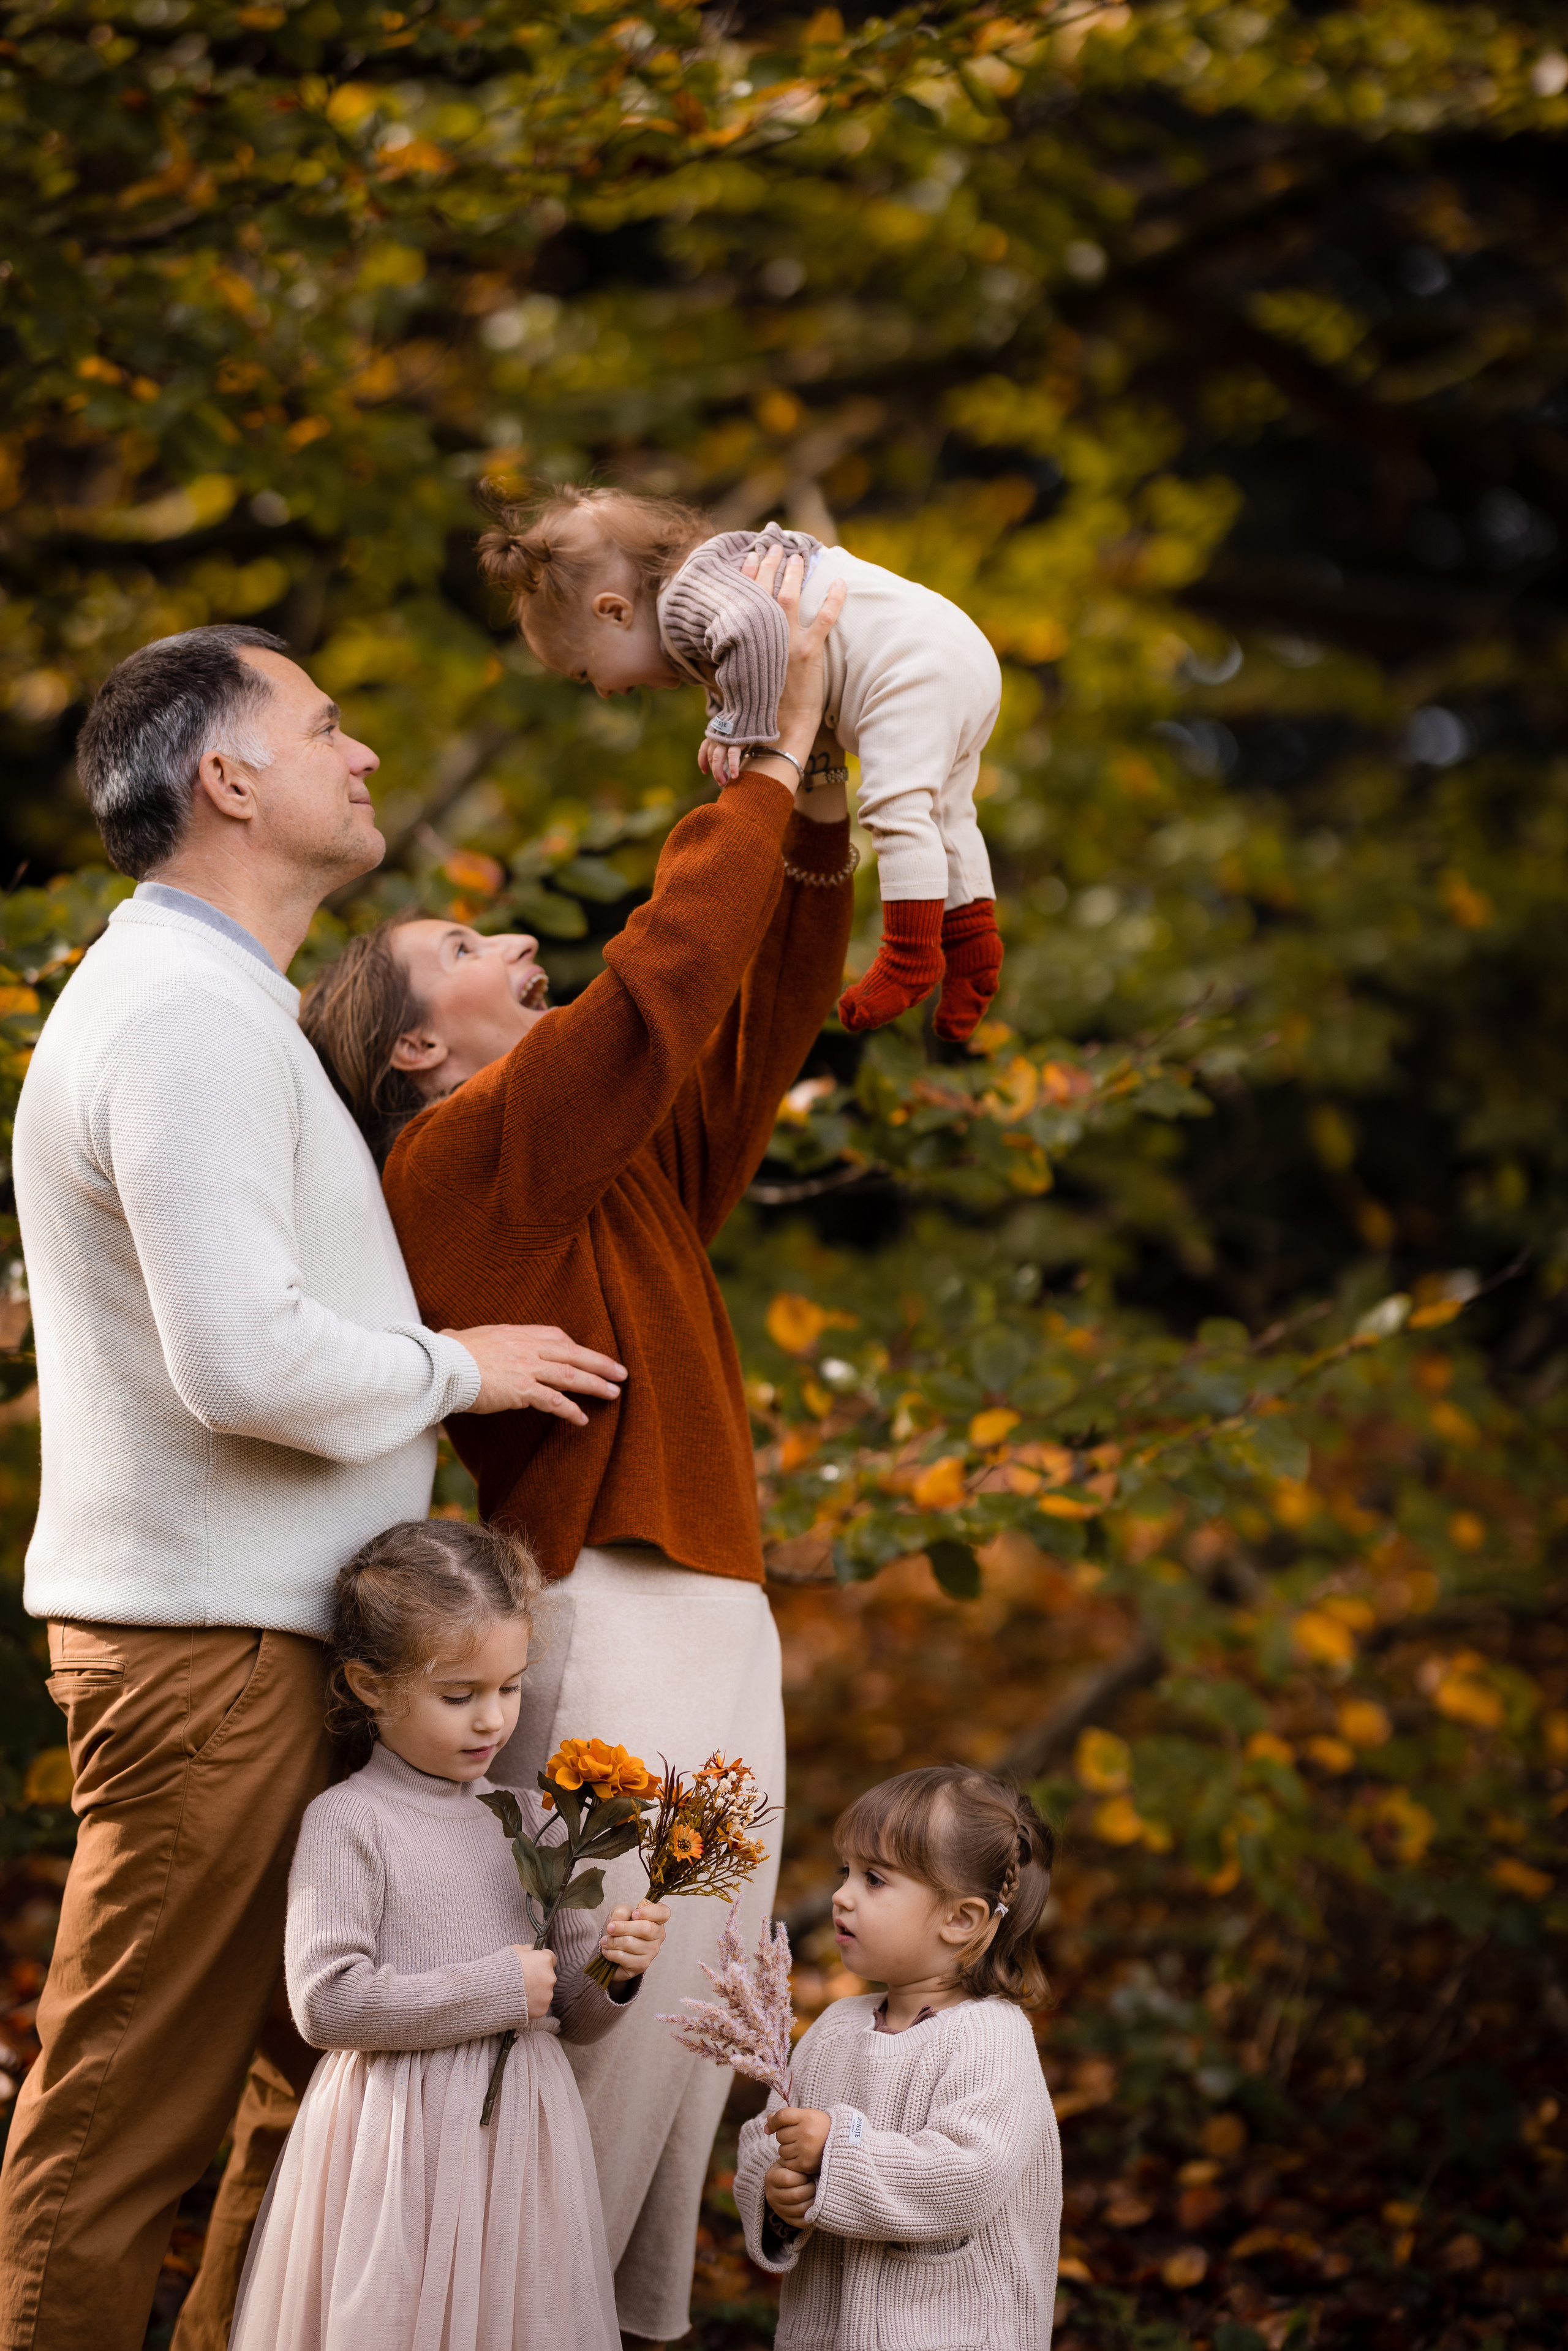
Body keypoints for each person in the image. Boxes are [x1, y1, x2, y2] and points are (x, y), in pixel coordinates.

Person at [0, 623, 626, 2351]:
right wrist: (463, 1365)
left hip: (279, 1640)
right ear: (228, 778)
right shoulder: (179, 1014)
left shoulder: (232, 1013)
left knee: (331, 2089)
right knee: (127, 2115)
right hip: (205, 1657)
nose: (360, 756)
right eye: (328, 727)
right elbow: (243, 1360)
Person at [300, 543, 851, 2348]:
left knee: (691, 2043)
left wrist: (817, 821)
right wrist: (754, 765)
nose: (513, 942)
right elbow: (650, 991)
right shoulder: (455, 1165)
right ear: (414, 1060)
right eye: (464, 950)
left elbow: (738, 1028)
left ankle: (601, 2317)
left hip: (710, 1618)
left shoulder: (598, 1170)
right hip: (612, 1621)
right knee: (625, 2028)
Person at [230, 1516, 668, 2351]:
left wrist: (614, 1969)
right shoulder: (349, 1819)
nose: (493, 1720)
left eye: (510, 1687)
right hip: (395, 2143)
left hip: (521, 2146)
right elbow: (326, 2003)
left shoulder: (538, 1821)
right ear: (368, 1684)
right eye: (459, 1695)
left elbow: (572, 2007)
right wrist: (498, 1989)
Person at [477, 482, 1005, 1042]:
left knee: (897, 809)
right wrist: (729, 716)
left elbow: (754, 630)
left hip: (910, 664)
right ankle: (974, 947)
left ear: (614, 612)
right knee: (948, 812)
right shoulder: (706, 595)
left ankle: (909, 956)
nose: (602, 693)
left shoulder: (684, 596)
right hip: (958, 655)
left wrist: (736, 727)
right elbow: (740, 659)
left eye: (585, 674)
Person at [735, 1766, 1062, 2351]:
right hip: (825, 2332)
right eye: (847, 1872)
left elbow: (968, 2175)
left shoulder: (990, 2038)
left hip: (949, 2331)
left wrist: (836, 2151)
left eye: (875, 1879)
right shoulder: (836, 2027)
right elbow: (769, 2132)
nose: (842, 1894)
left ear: (960, 1920)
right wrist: (777, 2189)